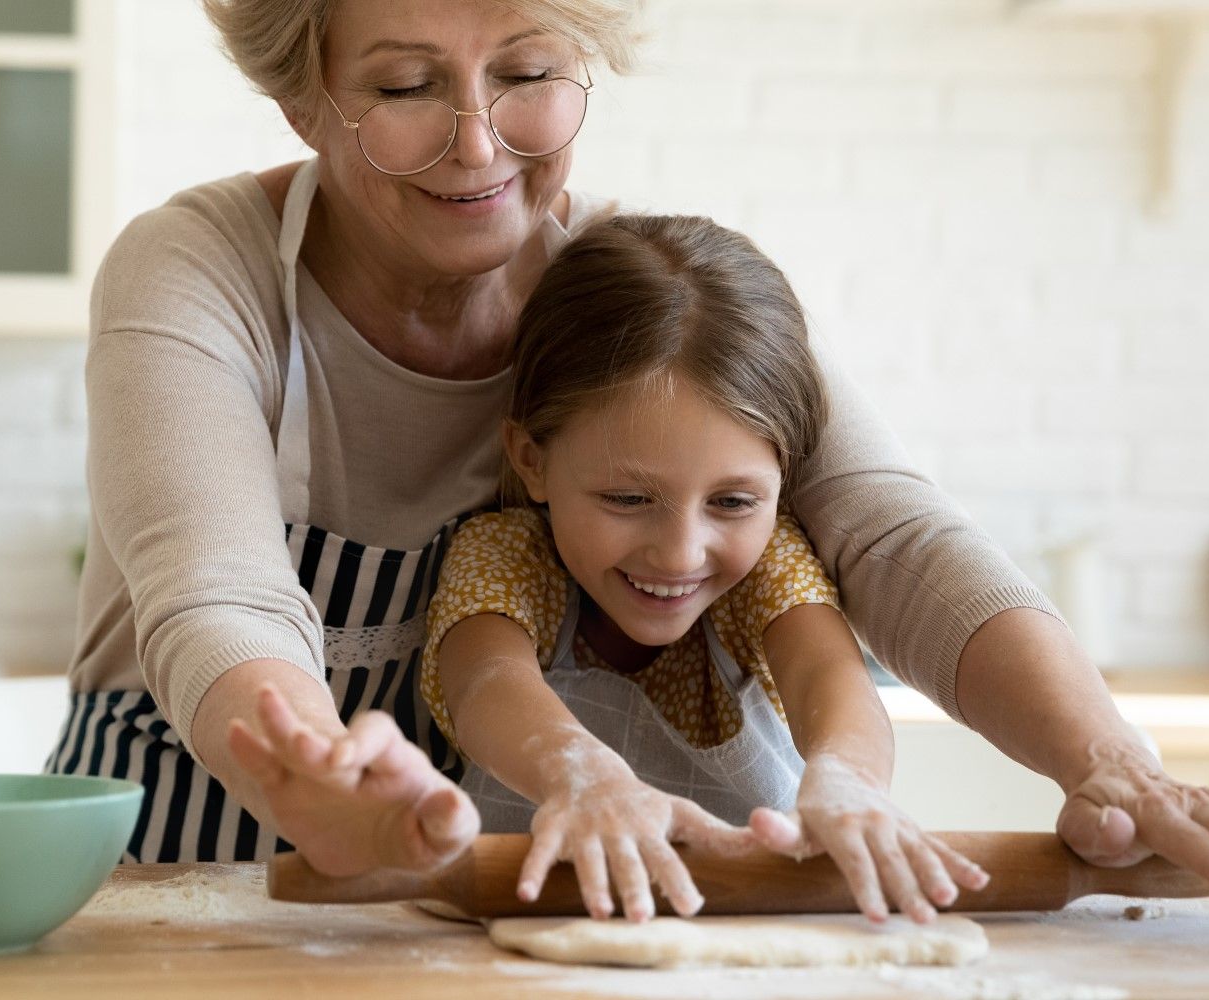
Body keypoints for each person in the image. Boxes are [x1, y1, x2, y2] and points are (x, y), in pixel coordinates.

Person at [51, 0, 1209, 892]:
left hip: (443, 893)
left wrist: (1109, 764)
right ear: (304, 98)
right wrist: (316, 773)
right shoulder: (199, 270)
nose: (475, 139)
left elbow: (887, 529)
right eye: (402, 85)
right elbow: (214, 592)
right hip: (171, 870)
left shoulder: (629, 298)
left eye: (527, 74)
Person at [420, 214, 988, 924]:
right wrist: (583, 777)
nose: (681, 553)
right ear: (532, 458)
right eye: (628, 498)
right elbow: (485, 683)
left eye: (733, 501)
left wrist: (850, 780)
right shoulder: (508, 558)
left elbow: (828, 677)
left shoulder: (765, 568)